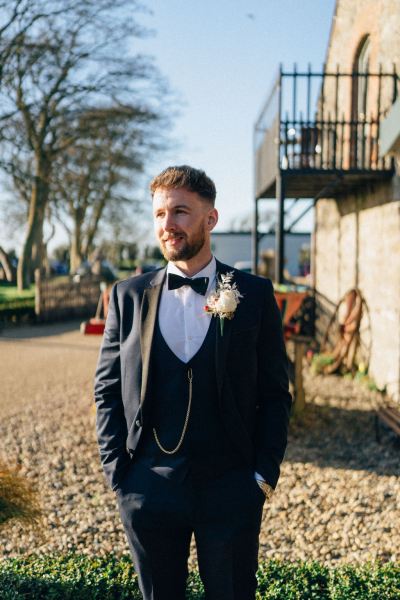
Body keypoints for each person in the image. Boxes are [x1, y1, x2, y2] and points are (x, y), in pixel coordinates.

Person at [94, 165, 292, 600]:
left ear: (211, 219)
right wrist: (120, 478)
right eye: (160, 213)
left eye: (180, 211)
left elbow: (276, 394)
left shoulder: (253, 294)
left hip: (231, 486)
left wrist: (262, 476)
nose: (168, 225)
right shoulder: (127, 296)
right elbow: (107, 391)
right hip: (148, 486)